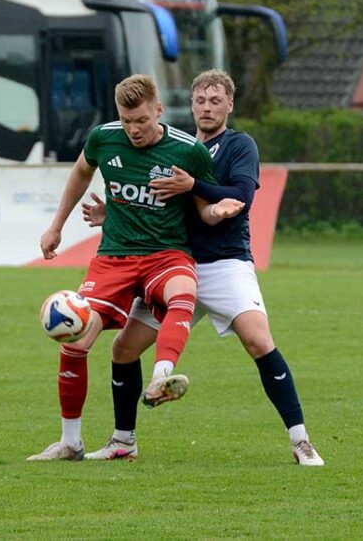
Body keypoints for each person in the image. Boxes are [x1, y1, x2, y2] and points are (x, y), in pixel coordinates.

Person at [81, 69, 325, 466]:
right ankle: (123, 440)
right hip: (175, 264)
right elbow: (152, 202)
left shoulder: (239, 145)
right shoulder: (178, 147)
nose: (207, 108)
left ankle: (302, 442)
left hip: (226, 263)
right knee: (123, 349)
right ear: (190, 105)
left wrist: (194, 186)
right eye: (200, 101)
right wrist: (112, 212)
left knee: (259, 342)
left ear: (230, 104)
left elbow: (241, 193)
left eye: (215, 101)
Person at [27, 74, 244, 461]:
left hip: (166, 253)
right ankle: (70, 442)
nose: (133, 130)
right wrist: (56, 225)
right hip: (114, 257)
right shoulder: (103, 137)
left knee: (184, 292)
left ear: (158, 110)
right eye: (127, 121)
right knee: (76, 340)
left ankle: (162, 376)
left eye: (141, 121)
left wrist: (219, 210)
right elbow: (81, 172)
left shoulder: (188, 150)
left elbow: (202, 210)